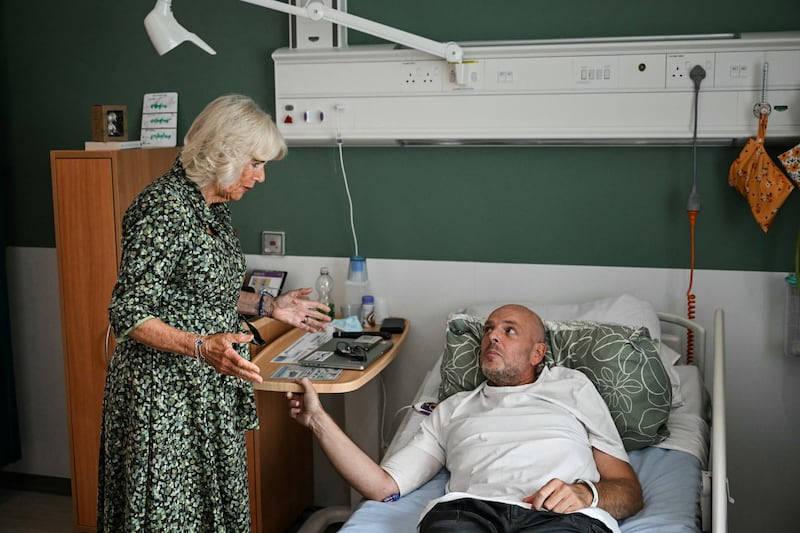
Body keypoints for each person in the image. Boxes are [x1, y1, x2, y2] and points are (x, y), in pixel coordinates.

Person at [97, 94, 331, 532]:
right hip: (164, 397)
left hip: (207, 389)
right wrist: (202, 346)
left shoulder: (214, 207)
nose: (260, 178)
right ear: (225, 154)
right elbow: (128, 312)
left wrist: (269, 306)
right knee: (170, 519)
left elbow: (203, 290)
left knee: (211, 514)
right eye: (256, 164)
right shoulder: (163, 209)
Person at [287, 304, 643, 533]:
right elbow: (383, 487)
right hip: (467, 515)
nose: (492, 337)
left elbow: (628, 491)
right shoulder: (453, 408)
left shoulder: (573, 388)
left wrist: (587, 494)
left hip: (561, 518)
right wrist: (319, 421)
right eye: (488, 329)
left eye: (509, 330)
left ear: (538, 352)